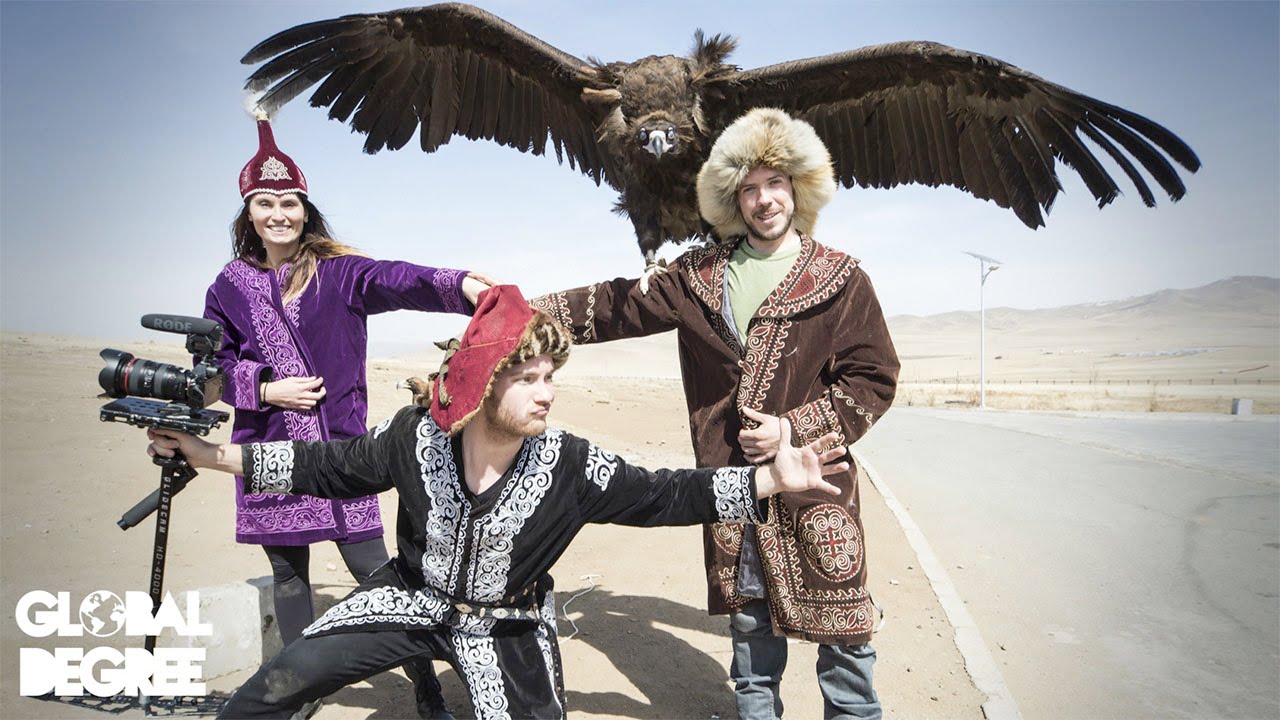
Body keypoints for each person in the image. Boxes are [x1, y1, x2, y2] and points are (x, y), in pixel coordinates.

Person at [147, 284, 850, 719]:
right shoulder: (415, 436)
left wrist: (768, 481)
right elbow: (327, 467)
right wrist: (208, 455)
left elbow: (663, 493)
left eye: (551, 376)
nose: (547, 393)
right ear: (483, 382)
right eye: (527, 378)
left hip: (507, 625)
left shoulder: (569, 464)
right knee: (272, 688)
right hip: (411, 598)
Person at [531, 108, 900, 719]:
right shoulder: (697, 276)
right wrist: (516, 311)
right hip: (732, 483)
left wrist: (792, 428)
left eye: (774, 183)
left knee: (845, 640)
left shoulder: (841, 278)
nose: (763, 199)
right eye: (749, 189)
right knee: (750, 636)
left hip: (816, 483)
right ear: (732, 199)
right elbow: (614, 306)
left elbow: (874, 377)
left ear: (797, 188)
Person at [205, 116, 490, 718]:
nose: (278, 213)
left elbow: (396, 278)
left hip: (342, 453)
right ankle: (296, 694)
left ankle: (427, 688)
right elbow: (213, 369)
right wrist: (266, 388)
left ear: (305, 209)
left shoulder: (339, 272)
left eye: (289, 202)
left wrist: (459, 284)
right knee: (289, 578)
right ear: (248, 212)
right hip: (268, 452)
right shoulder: (228, 286)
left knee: (378, 577)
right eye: (265, 203)